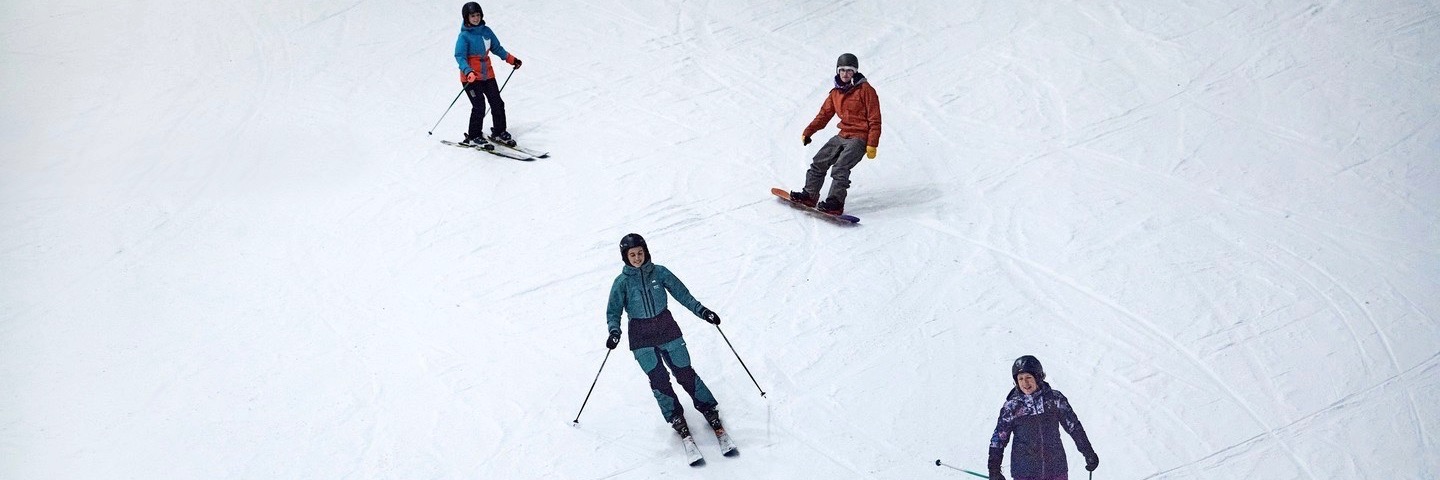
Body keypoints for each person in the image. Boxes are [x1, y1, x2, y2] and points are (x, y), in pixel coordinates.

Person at [605, 233, 728, 442]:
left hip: (666, 327)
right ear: (625, 257)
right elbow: (613, 311)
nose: (637, 258)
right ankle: (675, 417)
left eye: (640, 253)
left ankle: (709, 408)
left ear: (646, 252)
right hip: (640, 335)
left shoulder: (660, 272)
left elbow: (683, 294)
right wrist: (614, 331)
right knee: (659, 379)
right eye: (632, 254)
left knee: (684, 372)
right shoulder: (621, 283)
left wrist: (703, 311)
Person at [789, 52, 882, 215]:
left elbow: (875, 119)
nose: (846, 74)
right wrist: (809, 131)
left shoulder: (866, 90)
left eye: (849, 70)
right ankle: (809, 195)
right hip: (842, 134)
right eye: (842, 70)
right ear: (838, 71)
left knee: (840, 167)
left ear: (855, 72)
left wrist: (872, 144)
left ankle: (835, 202)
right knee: (819, 161)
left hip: (859, 137)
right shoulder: (835, 93)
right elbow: (824, 115)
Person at [988, 355, 1099, 480]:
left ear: (1038, 377)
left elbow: (1074, 427)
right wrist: (994, 469)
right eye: (1020, 379)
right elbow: (999, 439)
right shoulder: (1013, 406)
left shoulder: (1054, 400)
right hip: (1025, 473)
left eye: (1029, 377)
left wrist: (1088, 452)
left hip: (1056, 470)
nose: (1025, 383)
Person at [453, 2, 522, 149]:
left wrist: (511, 59)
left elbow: (497, 48)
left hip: (487, 75)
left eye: (478, 15)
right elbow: (460, 56)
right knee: (479, 106)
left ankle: (499, 131)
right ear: (467, 18)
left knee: (497, 103)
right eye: (473, 16)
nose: (476, 18)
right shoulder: (464, 36)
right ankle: (474, 135)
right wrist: (468, 71)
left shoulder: (487, 31)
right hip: (471, 78)